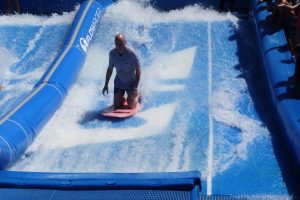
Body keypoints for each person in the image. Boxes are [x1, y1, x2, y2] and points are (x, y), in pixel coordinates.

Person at [102, 34, 141, 109]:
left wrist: (135, 87)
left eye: (121, 44)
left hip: (131, 83)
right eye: (117, 44)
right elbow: (110, 69)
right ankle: (121, 98)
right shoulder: (112, 54)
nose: (119, 46)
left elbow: (138, 70)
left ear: (125, 42)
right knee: (117, 105)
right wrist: (106, 84)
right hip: (119, 83)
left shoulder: (132, 54)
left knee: (131, 106)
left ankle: (136, 95)